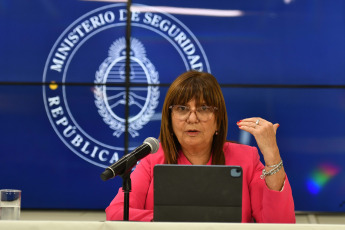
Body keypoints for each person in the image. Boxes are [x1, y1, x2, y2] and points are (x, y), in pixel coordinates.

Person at [105, 70, 295, 223]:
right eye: (182, 108)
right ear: (169, 119)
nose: (192, 118)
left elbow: (279, 224)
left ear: (218, 119)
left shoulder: (246, 157)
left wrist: (272, 153)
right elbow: (116, 212)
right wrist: (168, 222)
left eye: (203, 109)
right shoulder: (151, 159)